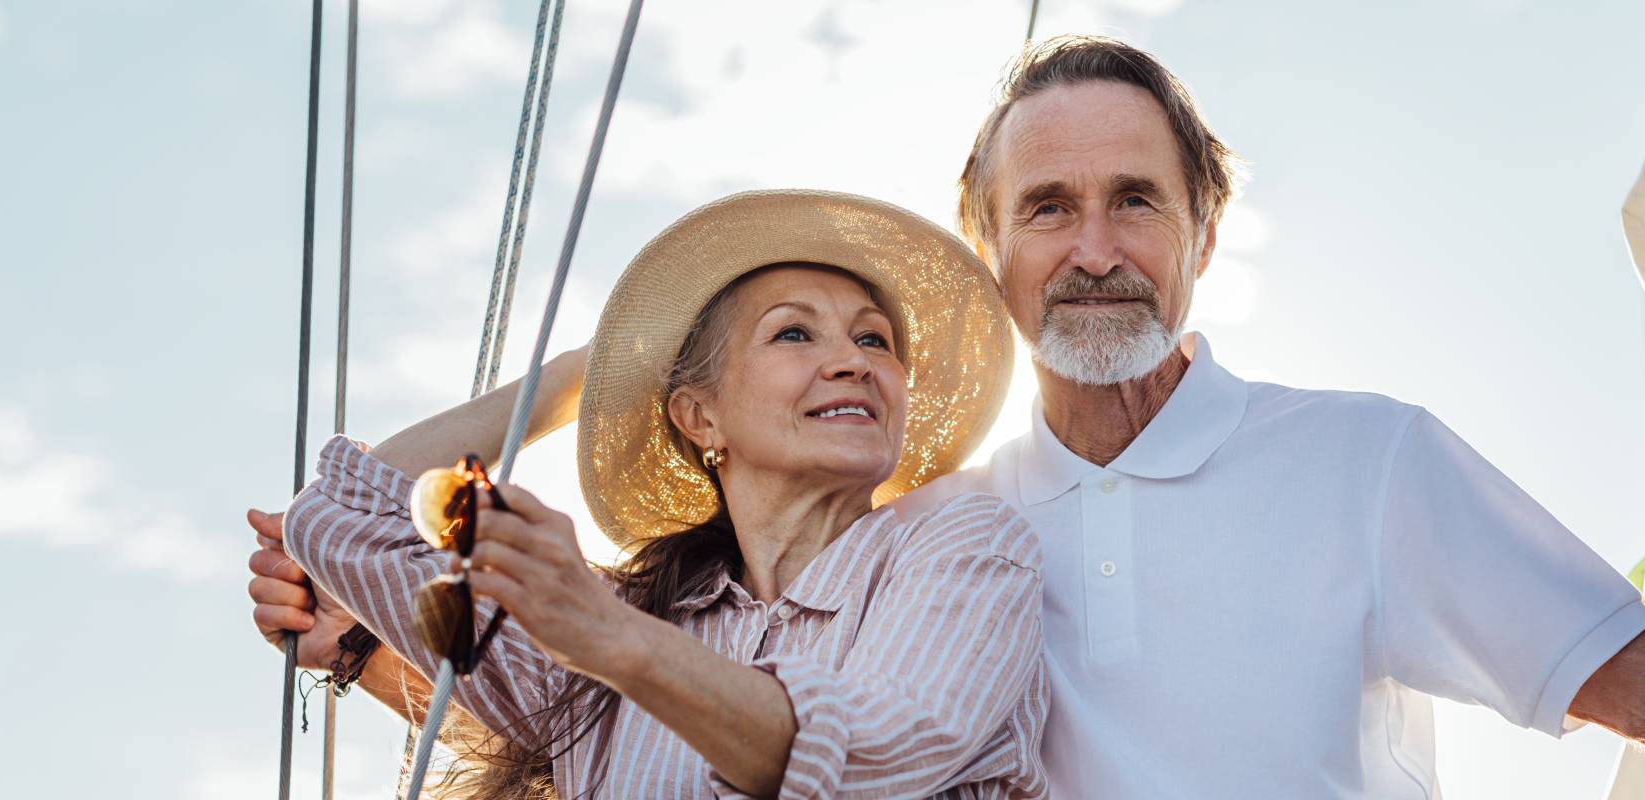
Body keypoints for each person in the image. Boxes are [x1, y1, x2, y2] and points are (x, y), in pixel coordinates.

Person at [883, 34, 1645, 798]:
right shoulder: (925, 535)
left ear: (1206, 234)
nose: (1097, 251)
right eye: (1048, 207)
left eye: (1137, 199)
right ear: (988, 248)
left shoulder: (1366, 459)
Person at [247, 190, 1048, 799]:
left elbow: (877, 749)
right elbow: (343, 518)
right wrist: (586, 374)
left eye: (874, 338)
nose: (854, 360)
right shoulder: (613, 626)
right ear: (701, 417)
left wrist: (605, 637)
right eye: (795, 333)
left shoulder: (967, 548)